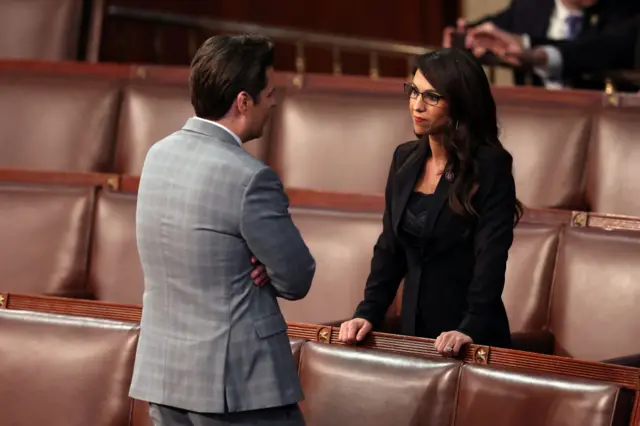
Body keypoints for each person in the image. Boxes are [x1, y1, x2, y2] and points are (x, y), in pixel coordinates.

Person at [129, 35, 315, 426]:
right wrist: (265, 267)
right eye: (270, 92)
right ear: (244, 101)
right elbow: (296, 277)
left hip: (164, 379)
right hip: (238, 389)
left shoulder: (157, 156)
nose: (275, 102)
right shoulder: (251, 178)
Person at [339, 48, 523, 356]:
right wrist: (368, 312)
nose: (417, 105)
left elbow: (491, 259)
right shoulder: (405, 158)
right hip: (413, 333)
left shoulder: (489, 167)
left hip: (469, 339)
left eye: (432, 97)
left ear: (460, 104)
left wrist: (469, 328)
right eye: (413, 92)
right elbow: (390, 247)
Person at [444, 0, 640, 89]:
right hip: (535, 127)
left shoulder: (626, 10)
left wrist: (529, 49)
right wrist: (464, 35)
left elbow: (598, 49)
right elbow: (491, 29)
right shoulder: (530, 6)